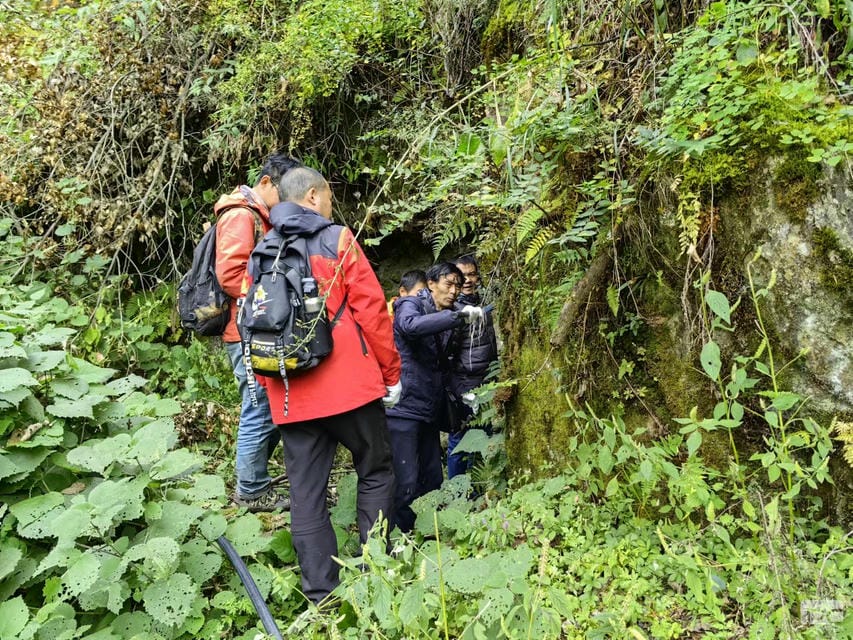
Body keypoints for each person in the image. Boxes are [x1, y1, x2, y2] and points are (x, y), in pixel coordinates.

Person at [259, 166, 403, 605]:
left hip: (290, 393)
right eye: (329, 196)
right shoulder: (337, 240)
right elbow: (374, 314)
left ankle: (322, 593)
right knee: (375, 472)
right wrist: (392, 374)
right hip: (350, 389)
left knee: (306, 496)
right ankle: (377, 565)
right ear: (315, 196)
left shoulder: (262, 250)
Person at [214, 152, 301, 512]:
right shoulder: (240, 215)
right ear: (266, 183)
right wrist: (274, 298)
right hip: (247, 331)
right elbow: (232, 275)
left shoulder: (255, 215)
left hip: (256, 329)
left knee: (269, 405)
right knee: (259, 407)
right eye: (285, 194)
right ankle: (251, 490)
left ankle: (254, 480)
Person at [386, 262, 483, 532]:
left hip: (428, 408)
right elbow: (410, 327)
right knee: (405, 478)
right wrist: (457, 317)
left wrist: (465, 395)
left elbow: (445, 365)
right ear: (431, 284)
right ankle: (397, 537)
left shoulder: (450, 315)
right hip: (403, 408)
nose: (453, 291)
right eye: (447, 284)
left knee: (432, 478)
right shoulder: (411, 304)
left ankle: (426, 533)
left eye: (457, 286)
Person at [446, 255, 499, 479]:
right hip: (463, 387)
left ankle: (476, 492)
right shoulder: (451, 312)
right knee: (459, 442)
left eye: (472, 274)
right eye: (462, 276)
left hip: (486, 384)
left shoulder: (481, 303)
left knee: (483, 437)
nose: (467, 280)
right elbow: (445, 357)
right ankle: (456, 495)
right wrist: (459, 391)